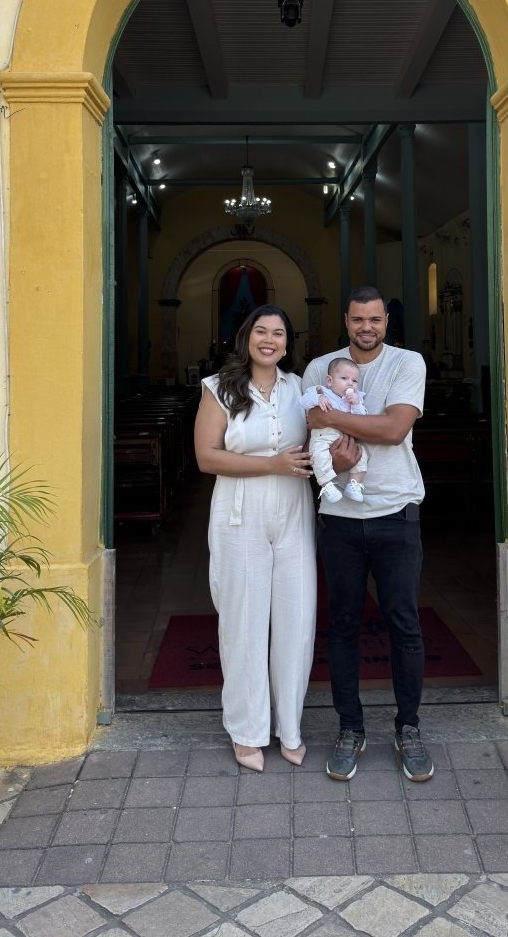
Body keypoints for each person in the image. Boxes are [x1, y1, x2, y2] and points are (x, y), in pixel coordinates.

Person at [302, 286, 433, 783]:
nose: (366, 327)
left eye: (374, 319)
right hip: (339, 517)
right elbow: (309, 434)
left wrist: (332, 417)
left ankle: (408, 728)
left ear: (385, 322)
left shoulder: (406, 363)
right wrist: (338, 440)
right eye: (358, 319)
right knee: (342, 626)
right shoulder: (319, 367)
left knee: (404, 624)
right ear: (346, 320)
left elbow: (395, 430)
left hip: (396, 510)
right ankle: (350, 729)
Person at [194, 305, 316, 772]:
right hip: (239, 513)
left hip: (294, 511)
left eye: (278, 333)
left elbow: (318, 442)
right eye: (261, 331)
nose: (269, 340)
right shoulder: (219, 388)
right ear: (246, 337)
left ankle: (290, 727)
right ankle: (246, 731)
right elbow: (206, 457)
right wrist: (272, 464)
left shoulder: (300, 388)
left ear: (287, 343)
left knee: (296, 617)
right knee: (243, 621)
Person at [300, 357, 369, 504]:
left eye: (354, 381)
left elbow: (363, 419)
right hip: (323, 436)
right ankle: (327, 485)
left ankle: (354, 484)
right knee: (318, 455)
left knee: (362, 454)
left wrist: (356, 404)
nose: (350, 383)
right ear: (330, 381)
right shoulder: (321, 391)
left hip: (346, 437)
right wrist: (318, 399)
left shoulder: (356, 398)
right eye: (344, 378)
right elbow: (303, 402)